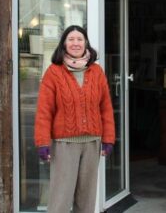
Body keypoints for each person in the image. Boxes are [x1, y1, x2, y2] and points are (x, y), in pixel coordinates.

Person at [34, 25, 115, 213]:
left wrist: (108, 139)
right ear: (64, 44)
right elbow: (44, 111)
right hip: (64, 144)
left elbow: (106, 108)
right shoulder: (53, 72)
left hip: (92, 143)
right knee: (60, 199)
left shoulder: (96, 72)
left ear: (86, 42)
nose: (75, 43)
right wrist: (42, 142)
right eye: (71, 39)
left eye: (79, 39)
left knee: (86, 199)